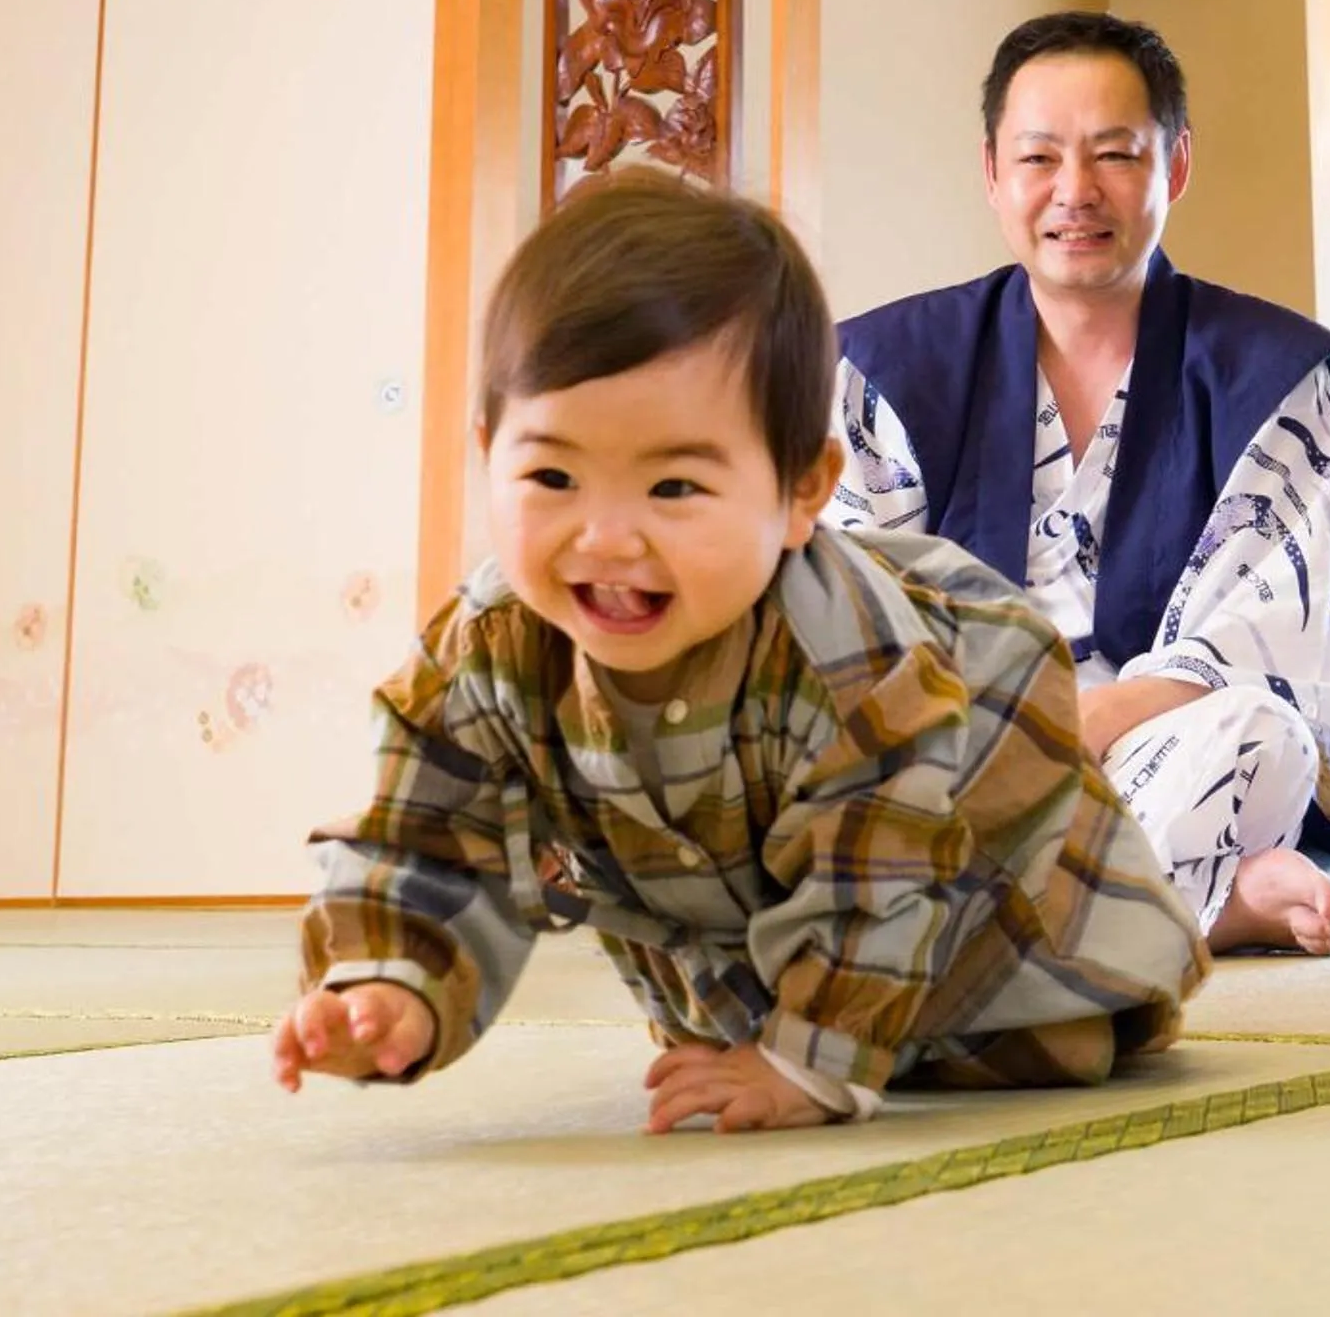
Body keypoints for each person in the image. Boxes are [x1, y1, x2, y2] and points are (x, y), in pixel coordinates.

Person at [275, 170, 1205, 1132]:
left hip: (958, 851)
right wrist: (392, 985)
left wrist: (809, 1065)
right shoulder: (491, 644)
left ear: (803, 490)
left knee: (1035, 1045)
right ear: (487, 449)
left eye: (674, 488)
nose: (606, 539)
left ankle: (940, 1017)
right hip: (727, 912)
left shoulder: (844, 655)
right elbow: (431, 831)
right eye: (552, 474)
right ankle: (810, 1015)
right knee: (729, 1029)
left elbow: (875, 872)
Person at [828, 11, 1330, 958]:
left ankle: (978, 928)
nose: (1074, 193)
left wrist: (1068, 734)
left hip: (1161, 742)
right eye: (1040, 158)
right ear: (993, 173)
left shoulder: (1273, 372)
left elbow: (1255, 629)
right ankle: (1212, 907)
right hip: (958, 746)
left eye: (1114, 155)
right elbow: (854, 607)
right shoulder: (885, 366)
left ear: (1174, 167)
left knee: (1260, 736)